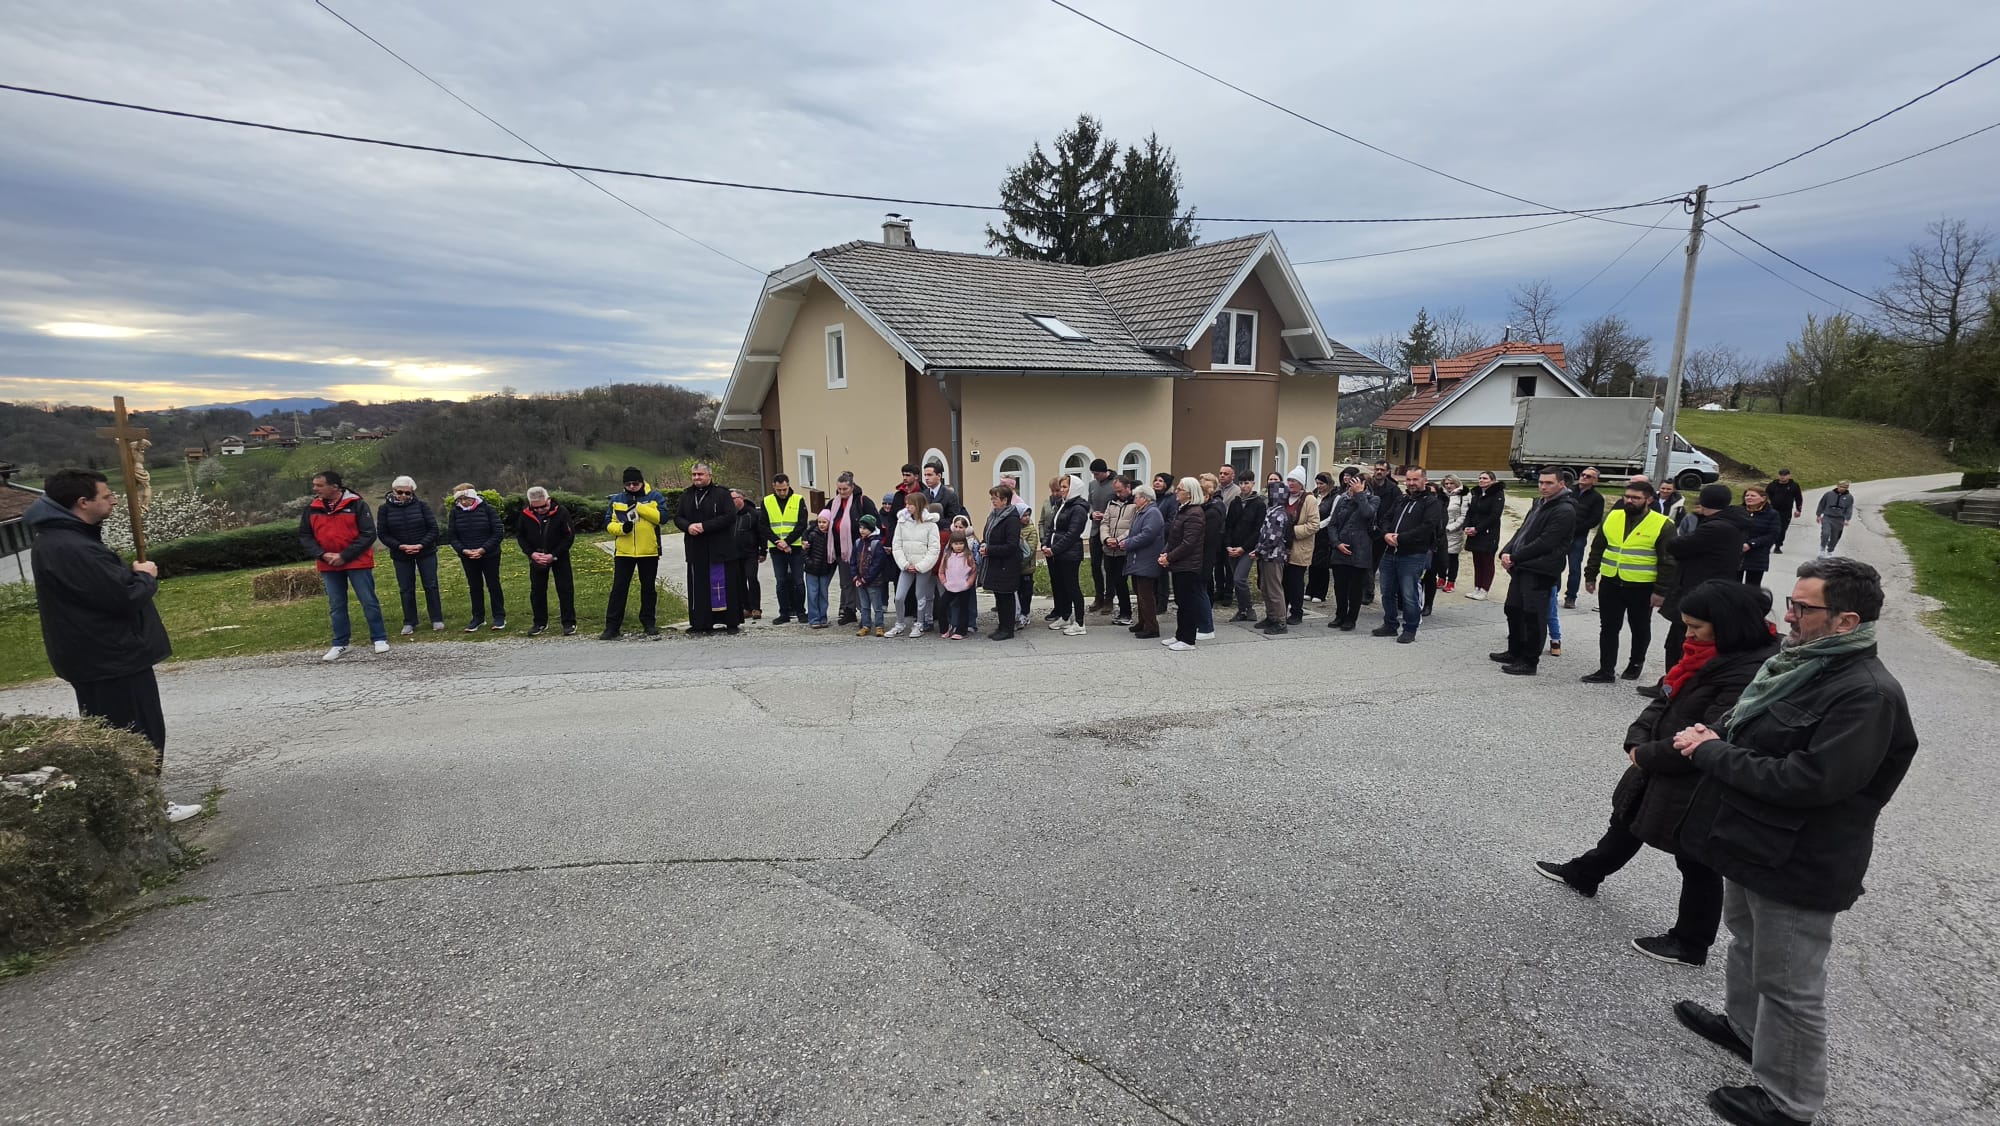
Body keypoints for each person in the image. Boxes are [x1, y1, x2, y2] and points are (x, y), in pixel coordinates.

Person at [1669, 558, 1917, 1126]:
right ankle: (1745, 1029)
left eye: (1803, 608)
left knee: (1789, 981)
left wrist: (1712, 752)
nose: (1789, 616)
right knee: (1748, 942)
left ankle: (1790, 1102)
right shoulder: (1801, 665)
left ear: (1846, 621)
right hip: (1755, 842)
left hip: (1800, 859)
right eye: (1791, 603)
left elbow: (1810, 781)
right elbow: (1759, 730)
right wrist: (1718, 733)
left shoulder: (1866, 694)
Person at [1535, 580, 1778, 968]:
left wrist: (1648, 755)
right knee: (1628, 819)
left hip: (1700, 775)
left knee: (1696, 857)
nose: (1688, 635)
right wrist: (1637, 740)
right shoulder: (1701, 653)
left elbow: (1713, 734)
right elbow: (1664, 699)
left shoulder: (1748, 671)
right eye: (1686, 625)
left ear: (1727, 624)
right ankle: (1585, 873)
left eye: (1696, 626)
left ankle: (1691, 942)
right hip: (1660, 759)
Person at [26, 471, 197, 822]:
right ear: (82, 503)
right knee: (137, 732)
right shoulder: (71, 547)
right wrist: (145, 577)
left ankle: (132, 805)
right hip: (110, 656)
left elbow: (98, 590)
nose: (115, 500)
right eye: (106, 495)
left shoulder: (62, 539)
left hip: (96, 654)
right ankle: (145, 809)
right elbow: (121, 597)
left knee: (116, 733)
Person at [1647, 484, 1749, 693]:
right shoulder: (1733, 522)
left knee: (1681, 641)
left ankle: (1673, 686)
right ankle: (1671, 682)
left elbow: (1676, 546)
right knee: (1685, 640)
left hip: (1698, 591)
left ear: (1704, 501)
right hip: (1712, 588)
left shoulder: (1715, 527)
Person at [1581, 479, 1678, 684]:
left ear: (1649, 500)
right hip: (1611, 581)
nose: (1629, 501)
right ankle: (1606, 669)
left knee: (1639, 627)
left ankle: (1635, 663)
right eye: (1627, 496)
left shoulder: (1663, 524)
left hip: (1642, 585)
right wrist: (1590, 575)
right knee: (1608, 627)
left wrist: (1660, 591)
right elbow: (1598, 547)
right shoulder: (1613, 516)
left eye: (1636, 498)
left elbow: (1668, 561)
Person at [1493, 468, 1576, 676]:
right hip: (1523, 566)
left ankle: (1529, 661)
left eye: (1549, 483)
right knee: (1513, 608)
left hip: (1541, 569)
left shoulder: (1565, 510)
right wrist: (1506, 551)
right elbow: (1523, 531)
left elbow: (1546, 542)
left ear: (1561, 484)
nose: (1543, 487)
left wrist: (1515, 557)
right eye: (1541, 482)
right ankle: (1515, 651)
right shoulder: (1539, 503)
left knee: (1533, 615)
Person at [301, 469, 390, 658]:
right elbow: (305, 536)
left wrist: (344, 555)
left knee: (368, 601)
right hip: (328, 564)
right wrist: (323, 554)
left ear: (334, 487)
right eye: (314, 485)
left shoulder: (357, 504)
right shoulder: (312, 508)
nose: (315, 489)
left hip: (357, 562)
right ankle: (341, 643)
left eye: (319, 485)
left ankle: (379, 638)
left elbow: (368, 534)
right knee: (336, 605)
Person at [1372, 465, 1442, 642]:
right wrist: (1386, 534)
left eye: (1415, 479)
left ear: (1424, 480)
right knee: (1387, 592)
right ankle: (1390, 624)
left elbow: (1427, 527)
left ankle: (1410, 628)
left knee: (1409, 594)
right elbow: (1386, 518)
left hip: (1413, 554)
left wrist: (1401, 538)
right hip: (1390, 552)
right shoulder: (1401, 499)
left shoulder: (1431, 503)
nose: (1411, 483)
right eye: (1408, 479)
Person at [675, 463, 742, 635]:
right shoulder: (687, 495)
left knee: (725, 586)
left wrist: (704, 526)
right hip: (696, 548)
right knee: (699, 587)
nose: (696, 477)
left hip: (719, 548)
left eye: (700, 474)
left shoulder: (722, 494)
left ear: (709, 476)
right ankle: (701, 623)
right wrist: (688, 526)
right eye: (694, 474)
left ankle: (730, 622)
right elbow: (678, 517)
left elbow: (729, 516)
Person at [377, 475, 444, 635]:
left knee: (431, 585)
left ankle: (436, 619)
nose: (404, 496)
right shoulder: (384, 509)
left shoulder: (422, 506)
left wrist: (420, 545)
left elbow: (433, 529)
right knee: (406, 588)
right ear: (393, 491)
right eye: (400, 492)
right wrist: (400, 546)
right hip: (401, 554)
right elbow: (383, 534)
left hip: (425, 551)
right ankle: (410, 622)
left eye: (408, 493)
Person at [602, 468, 663, 639]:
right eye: (628, 484)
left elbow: (662, 518)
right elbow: (608, 523)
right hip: (624, 552)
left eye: (635, 483)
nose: (631, 487)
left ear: (642, 482)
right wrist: (622, 529)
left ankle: (649, 622)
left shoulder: (655, 497)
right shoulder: (616, 500)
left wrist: (639, 507)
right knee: (619, 588)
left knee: (648, 588)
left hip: (648, 550)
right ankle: (612, 626)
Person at [516, 486, 576, 637]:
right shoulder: (525, 514)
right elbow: (521, 536)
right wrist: (531, 554)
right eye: (535, 508)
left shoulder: (561, 512)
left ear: (548, 500)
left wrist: (554, 555)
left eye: (543, 506)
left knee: (565, 588)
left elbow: (569, 536)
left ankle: (569, 622)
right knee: (537, 590)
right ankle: (539, 622)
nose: (540, 510)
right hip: (537, 556)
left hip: (559, 555)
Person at [446, 482, 506, 633]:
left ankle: (499, 617)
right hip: (468, 556)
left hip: (489, 554)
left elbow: (498, 532)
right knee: (474, 586)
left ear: (473, 497)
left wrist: (483, 549)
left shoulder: (487, 509)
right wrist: (464, 550)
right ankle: (478, 618)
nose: (463, 502)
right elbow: (452, 536)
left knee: (493, 584)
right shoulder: (455, 513)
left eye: (466, 498)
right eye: (460, 499)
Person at [1324, 469, 1377, 631]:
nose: (1351, 487)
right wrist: (1336, 543)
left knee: (1355, 588)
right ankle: (1340, 615)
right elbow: (1332, 524)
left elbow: (1367, 514)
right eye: (1350, 484)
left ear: (1363, 485)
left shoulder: (1373, 499)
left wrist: (1359, 495)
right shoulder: (1343, 500)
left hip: (1360, 550)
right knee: (1340, 586)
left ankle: (1351, 618)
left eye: (1356, 484)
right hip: (1341, 549)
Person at [1160, 476, 1207, 651]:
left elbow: (1188, 543)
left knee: (1188, 602)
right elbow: (1174, 537)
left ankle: (1188, 639)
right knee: (1181, 601)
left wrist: (1170, 557)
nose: (1176, 492)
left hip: (1189, 565)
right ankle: (1180, 634)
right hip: (1179, 563)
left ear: (1189, 493)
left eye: (1180, 489)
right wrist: (1165, 553)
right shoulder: (1182, 510)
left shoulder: (1195, 513)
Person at [885, 490, 940, 637]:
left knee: (920, 596)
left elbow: (934, 549)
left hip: (922, 567)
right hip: (907, 566)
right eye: (906, 504)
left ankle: (919, 624)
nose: (907, 507)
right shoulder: (902, 522)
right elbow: (897, 545)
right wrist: (904, 564)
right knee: (899, 596)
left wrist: (921, 566)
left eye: (910, 504)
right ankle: (899, 623)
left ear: (918, 505)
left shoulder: (931, 525)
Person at [1042, 475, 1090, 635]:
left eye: (1065, 487)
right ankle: (1065, 616)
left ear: (1073, 488)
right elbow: (1052, 527)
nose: (1061, 490)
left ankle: (1080, 623)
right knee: (1061, 586)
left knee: (1072, 587)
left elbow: (1072, 534)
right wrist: (1045, 544)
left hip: (1070, 554)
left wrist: (1054, 549)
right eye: (1061, 487)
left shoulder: (1078, 508)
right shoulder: (1062, 504)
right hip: (1057, 553)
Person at [827, 474, 876, 625]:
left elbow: (874, 523)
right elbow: (824, 520)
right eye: (839, 489)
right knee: (846, 582)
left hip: (860, 549)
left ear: (852, 487)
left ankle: (865, 613)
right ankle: (849, 610)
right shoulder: (833, 503)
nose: (842, 492)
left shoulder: (862, 501)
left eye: (845, 489)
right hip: (840, 550)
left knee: (860, 582)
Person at [762, 473, 808, 625]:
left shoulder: (798, 499)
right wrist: (778, 542)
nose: (782, 492)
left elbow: (801, 524)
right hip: (776, 547)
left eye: (784, 489)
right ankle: (784, 613)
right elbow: (763, 525)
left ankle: (801, 612)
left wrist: (787, 542)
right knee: (781, 581)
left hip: (795, 546)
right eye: (779, 490)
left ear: (788, 486)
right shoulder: (767, 501)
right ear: (773, 487)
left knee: (798, 581)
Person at [1122, 484, 1165, 639]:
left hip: (1147, 558)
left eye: (1137, 497)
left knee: (1146, 595)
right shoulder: (1141, 512)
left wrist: (1128, 543)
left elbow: (1147, 534)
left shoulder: (1152, 513)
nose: (1134, 500)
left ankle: (1152, 627)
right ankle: (1142, 622)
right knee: (1139, 593)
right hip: (1138, 558)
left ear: (1145, 498)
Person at [1223, 472, 1268, 622]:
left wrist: (1243, 548)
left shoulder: (1259, 504)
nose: (1243, 486)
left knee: (1239, 579)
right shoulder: (1235, 502)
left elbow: (1258, 530)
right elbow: (1228, 526)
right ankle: (1242, 610)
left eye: (1247, 483)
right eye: (1241, 483)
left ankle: (1249, 608)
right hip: (1233, 547)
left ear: (1253, 484)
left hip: (1248, 549)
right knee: (1236, 579)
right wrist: (1228, 545)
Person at [981, 485, 1023, 640]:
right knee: (999, 596)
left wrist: (989, 549)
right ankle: (1002, 626)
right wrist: (983, 544)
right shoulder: (993, 515)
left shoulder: (1011, 519)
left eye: (995, 498)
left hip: (1007, 564)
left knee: (1006, 596)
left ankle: (1008, 629)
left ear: (1005, 500)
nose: (993, 501)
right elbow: (988, 535)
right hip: (995, 562)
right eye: (992, 498)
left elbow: (1011, 545)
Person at [1281, 467, 1321, 624]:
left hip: (1299, 548)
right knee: (1282, 581)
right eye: (1289, 480)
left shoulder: (1309, 500)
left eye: (1294, 481)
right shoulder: (1284, 497)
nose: (1291, 484)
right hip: (1282, 548)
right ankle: (1280, 611)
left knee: (1295, 582)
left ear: (1301, 483)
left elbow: (1314, 525)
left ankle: (1296, 612)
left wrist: (1292, 531)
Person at [1564, 467, 1605, 609]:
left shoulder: (1597, 498)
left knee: (1574, 568)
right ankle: (1552, 594)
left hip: (1578, 537)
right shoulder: (1569, 491)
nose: (1584, 477)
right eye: (1583, 474)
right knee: (1555, 565)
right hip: (1561, 535)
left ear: (1595, 481)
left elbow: (1594, 519)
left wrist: (1576, 530)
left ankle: (1571, 597)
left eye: (1589, 476)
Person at [1255, 475, 1290, 633]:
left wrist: (1259, 551)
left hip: (1274, 557)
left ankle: (1280, 621)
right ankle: (1271, 616)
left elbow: (1272, 538)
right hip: (1266, 556)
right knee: (1265, 588)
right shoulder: (1272, 511)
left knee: (1274, 589)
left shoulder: (1279, 514)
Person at [1462, 471, 1506, 600]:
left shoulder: (1498, 494)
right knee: (1477, 561)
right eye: (1480, 478)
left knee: (1487, 561)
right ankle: (1477, 587)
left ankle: (1484, 589)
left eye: (1485, 478)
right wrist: (1467, 526)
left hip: (1488, 533)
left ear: (1492, 481)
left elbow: (1494, 515)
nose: (1481, 480)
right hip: (1474, 531)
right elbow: (1470, 511)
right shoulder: (1476, 493)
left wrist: (1478, 529)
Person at [1099, 477, 1136, 625]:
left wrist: (1119, 540)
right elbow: (1104, 523)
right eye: (1116, 491)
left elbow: (1133, 527)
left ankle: (1126, 612)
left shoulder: (1134, 504)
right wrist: (1107, 539)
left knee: (1121, 582)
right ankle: (1121, 611)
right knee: (1113, 581)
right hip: (1109, 550)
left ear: (1128, 488)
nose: (1118, 494)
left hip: (1123, 550)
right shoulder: (1111, 503)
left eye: (1120, 491)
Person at [728, 489, 767, 620]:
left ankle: (756, 608)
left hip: (750, 553)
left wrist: (763, 551)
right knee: (740, 581)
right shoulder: (729, 514)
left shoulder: (753, 514)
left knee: (752, 578)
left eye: (733, 499)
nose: (731, 502)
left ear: (742, 498)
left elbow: (761, 533)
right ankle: (746, 607)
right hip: (734, 553)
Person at [1195, 471, 1225, 639]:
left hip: (1206, 556)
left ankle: (1207, 627)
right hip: (1201, 555)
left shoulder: (1214, 511)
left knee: (1201, 590)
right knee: (1199, 589)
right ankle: (1200, 623)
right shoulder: (1206, 508)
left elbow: (1209, 539)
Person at [1085, 458, 1116, 612]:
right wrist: (1092, 514)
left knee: (1109, 566)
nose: (1095, 477)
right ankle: (1099, 596)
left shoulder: (1115, 484)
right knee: (1095, 565)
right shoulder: (1092, 485)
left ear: (1105, 472)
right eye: (1093, 474)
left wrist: (1106, 515)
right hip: (1095, 530)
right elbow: (1089, 503)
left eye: (1097, 474)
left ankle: (1110, 598)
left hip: (1110, 531)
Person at [937, 530, 979, 639]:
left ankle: (961, 631)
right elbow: (941, 571)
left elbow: (973, 571)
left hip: (964, 587)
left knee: (963, 609)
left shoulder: (968, 556)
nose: (959, 546)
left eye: (961, 543)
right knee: (941, 606)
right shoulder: (947, 556)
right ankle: (945, 628)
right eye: (956, 543)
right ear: (951, 544)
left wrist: (968, 583)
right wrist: (945, 582)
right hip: (950, 587)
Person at [1737, 486, 1781, 588]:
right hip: (1736, 554)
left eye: (1753, 496)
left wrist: (1751, 544)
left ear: (1763, 498)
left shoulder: (1772, 514)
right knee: (1732, 587)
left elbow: (1773, 534)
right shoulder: (1737, 511)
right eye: (1747, 495)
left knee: (1752, 588)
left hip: (1758, 555)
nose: (1748, 498)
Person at [1212, 463, 1243, 606]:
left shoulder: (1237, 491)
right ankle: (1219, 589)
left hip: (1230, 533)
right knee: (1217, 563)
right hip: (1217, 532)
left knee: (1228, 564)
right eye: (1221, 473)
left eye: (1226, 473)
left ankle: (1228, 592)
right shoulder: (1216, 490)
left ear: (1232, 476)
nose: (1222, 476)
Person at [1305, 471, 1337, 603]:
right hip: (1313, 532)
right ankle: (1310, 589)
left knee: (1322, 564)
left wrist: (1318, 526)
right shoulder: (1314, 495)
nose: (1319, 486)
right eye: (1317, 483)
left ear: (1328, 484)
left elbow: (1332, 516)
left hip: (1324, 533)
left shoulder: (1334, 497)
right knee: (1312, 562)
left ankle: (1320, 592)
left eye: (1321, 484)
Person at [1434, 474, 1468, 596]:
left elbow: (1463, 516)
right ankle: (1441, 577)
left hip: (1454, 532)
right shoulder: (1441, 495)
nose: (1448, 486)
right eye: (1446, 483)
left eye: (1451, 483)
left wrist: (1451, 527)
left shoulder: (1463, 496)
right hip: (1440, 530)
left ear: (1456, 483)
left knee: (1452, 557)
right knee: (1440, 556)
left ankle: (1451, 581)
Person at [801, 509, 836, 629]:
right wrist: (809, 562)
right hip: (812, 570)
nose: (821, 524)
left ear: (829, 523)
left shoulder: (831, 536)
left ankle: (823, 617)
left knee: (823, 595)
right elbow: (804, 551)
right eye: (819, 522)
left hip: (825, 570)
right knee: (812, 594)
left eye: (824, 522)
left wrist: (831, 565)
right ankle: (814, 619)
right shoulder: (812, 534)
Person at [1765, 469, 1804, 554]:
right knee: (1770, 528)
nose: (1782, 477)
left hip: (1786, 511)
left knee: (1782, 529)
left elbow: (1798, 498)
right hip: (1772, 510)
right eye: (1781, 475)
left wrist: (1798, 510)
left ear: (1789, 476)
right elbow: (1765, 496)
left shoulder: (1794, 486)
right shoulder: (1773, 485)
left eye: (1785, 475)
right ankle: (1768, 545)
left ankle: (1778, 546)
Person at [1814, 481, 1854, 556]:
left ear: (1847, 488)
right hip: (1827, 517)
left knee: (1835, 537)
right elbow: (1822, 504)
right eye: (1841, 486)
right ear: (1837, 486)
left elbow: (1849, 508)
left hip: (1839, 519)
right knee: (1825, 533)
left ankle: (1830, 551)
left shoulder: (1849, 497)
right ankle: (1822, 548)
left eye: (1845, 487)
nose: (1842, 488)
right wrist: (1818, 515)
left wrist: (1847, 519)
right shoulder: (1828, 494)